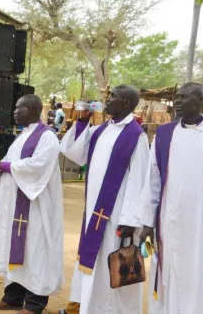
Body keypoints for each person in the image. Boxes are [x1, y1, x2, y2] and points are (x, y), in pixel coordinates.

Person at [139, 83, 203, 314]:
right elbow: (153, 179)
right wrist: (147, 222)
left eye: (184, 97)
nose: (178, 101)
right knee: (171, 273)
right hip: (169, 221)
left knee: (201, 274)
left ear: (200, 101)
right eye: (176, 97)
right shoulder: (164, 134)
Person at [58, 85, 149, 314]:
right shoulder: (100, 130)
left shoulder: (135, 136)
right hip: (94, 212)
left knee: (114, 264)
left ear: (127, 104)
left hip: (119, 215)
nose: (107, 100)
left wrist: (130, 219)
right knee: (95, 264)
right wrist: (82, 121)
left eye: (114, 97)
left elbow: (139, 179)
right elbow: (76, 155)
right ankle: (89, 308)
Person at [0, 94, 63, 314]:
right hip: (16, 207)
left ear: (31, 109)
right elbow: (15, 163)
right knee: (16, 249)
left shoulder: (47, 137)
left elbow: (37, 166)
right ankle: (13, 297)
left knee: (35, 252)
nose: (14, 112)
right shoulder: (23, 136)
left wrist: (6, 165)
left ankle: (35, 303)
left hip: (35, 207)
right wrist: (2, 166)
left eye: (18, 108)